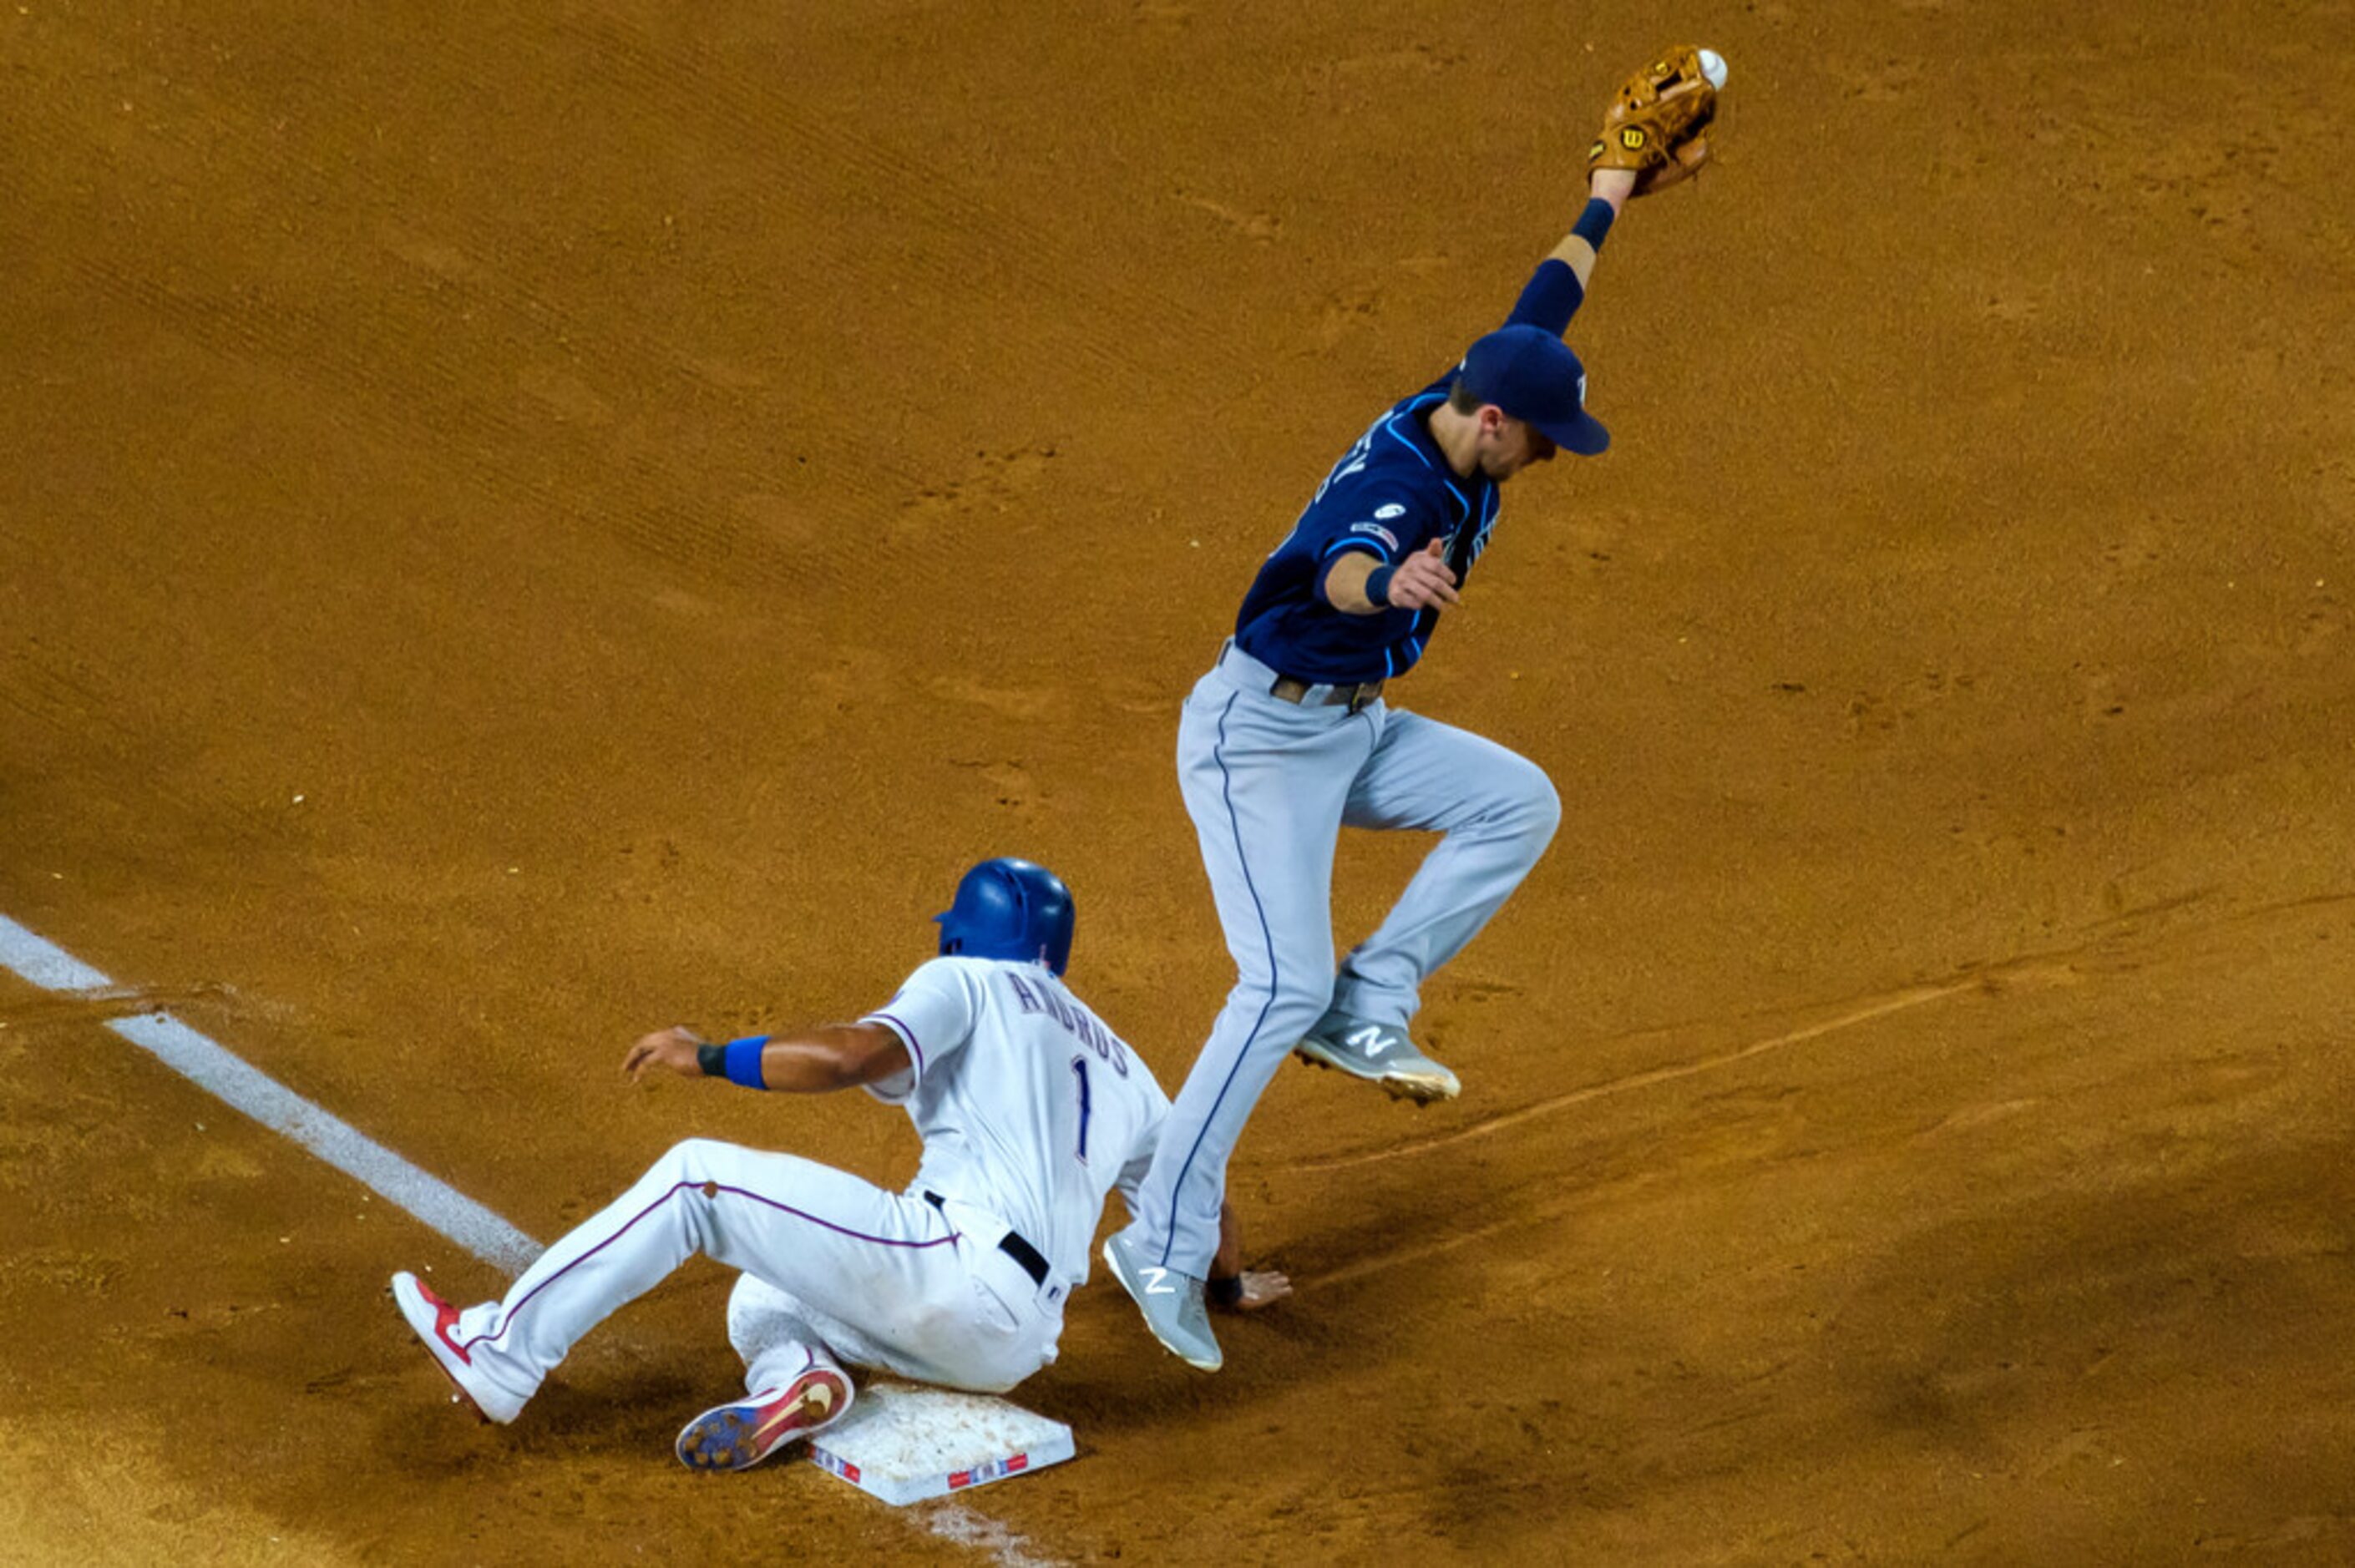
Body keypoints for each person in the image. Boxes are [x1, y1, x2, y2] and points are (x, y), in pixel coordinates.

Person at [1102, 150, 1679, 1373]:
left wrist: (1614, 187)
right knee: (1273, 988)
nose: (1551, 459)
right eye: (1544, 441)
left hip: (1348, 726)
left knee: (1515, 801)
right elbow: (1335, 566)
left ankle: (1379, 995)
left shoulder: (1471, 392)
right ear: (1490, 423)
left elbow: (1547, 299)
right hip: (1257, 739)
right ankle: (1158, 1238)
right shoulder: (1400, 490)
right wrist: (1391, 583)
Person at [390, 858, 1289, 1470]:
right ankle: (797, 1384)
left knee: (698, 1179)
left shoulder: (968, 982)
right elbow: (1198, 1198)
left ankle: (498, 1354)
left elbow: (848, 1059)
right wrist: (1229, 1288)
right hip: (1011, 1347)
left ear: (962, 938)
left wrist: (707, 1057)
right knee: (763, 1293)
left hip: (951, 1270)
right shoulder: (1127, 1066)